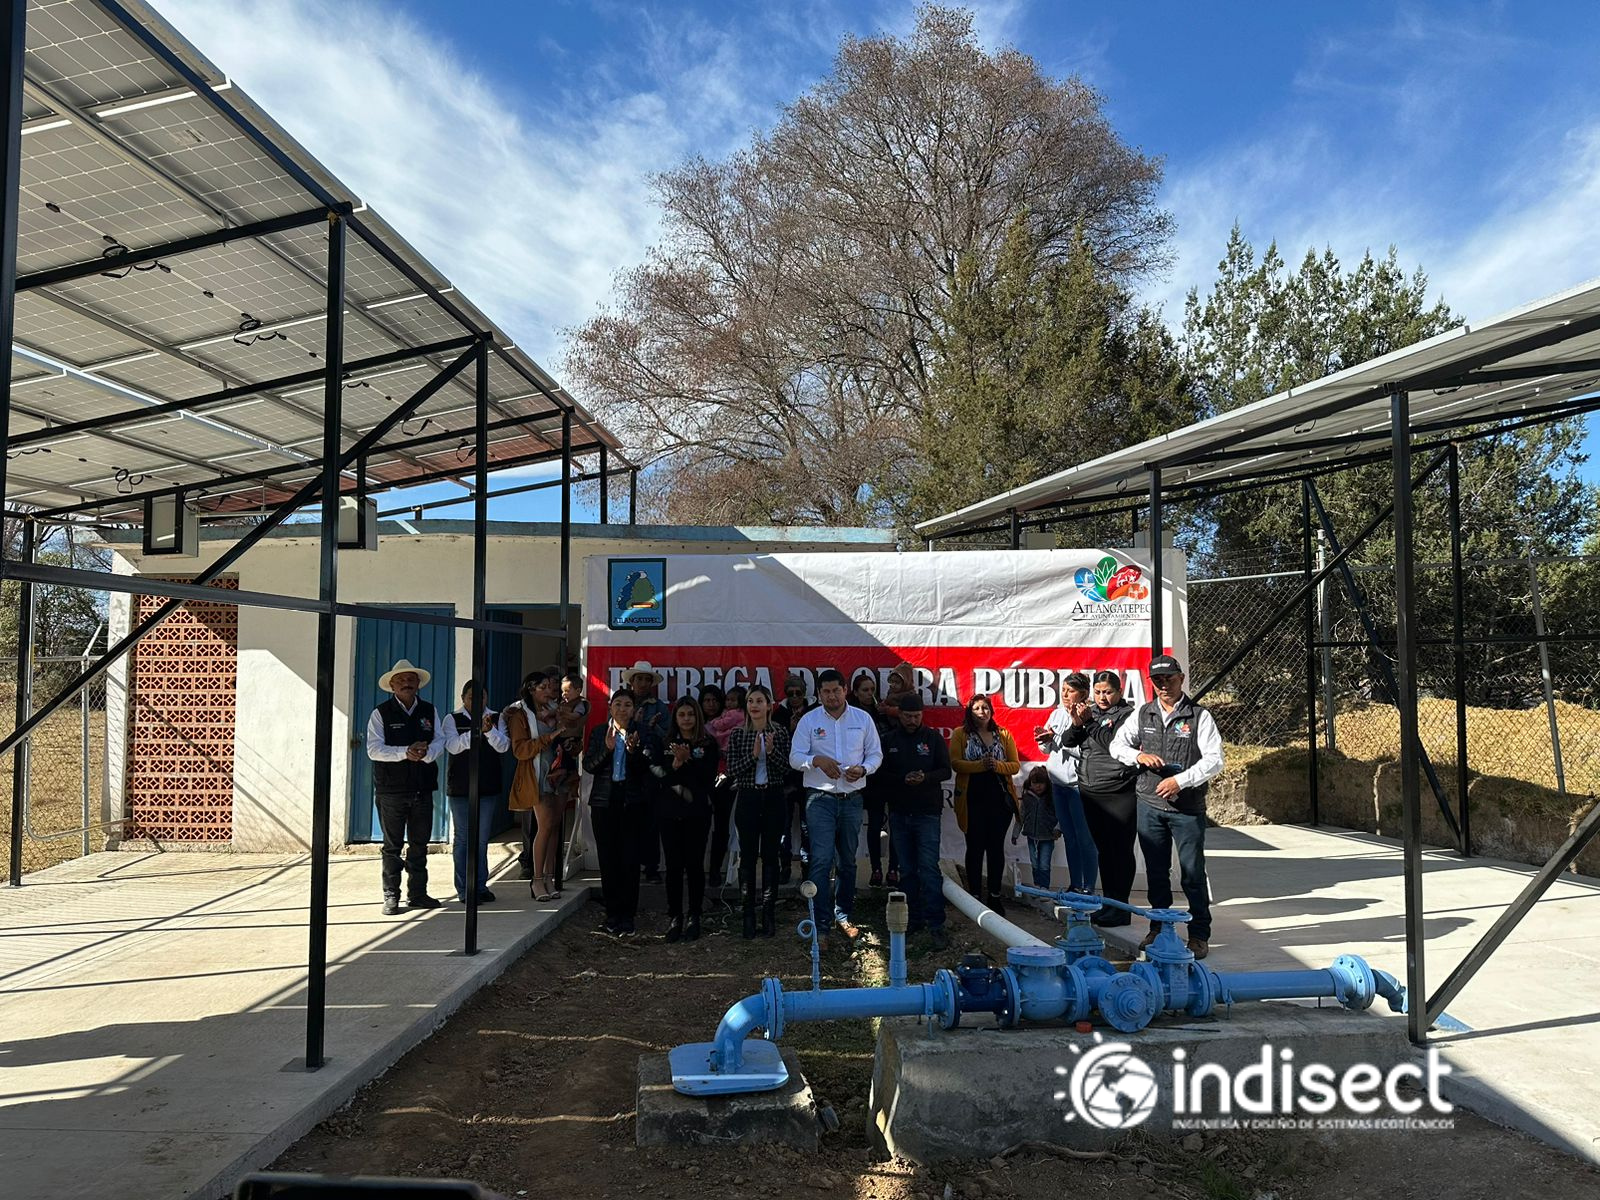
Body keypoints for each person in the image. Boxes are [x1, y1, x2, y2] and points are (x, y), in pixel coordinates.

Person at [1109, 655, 1225, 959]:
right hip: (1149, 804)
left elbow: (1214, 760)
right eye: (1157, 680)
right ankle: (1158, 928)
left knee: (1192, 874)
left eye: (1169, 679)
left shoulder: (1199, 716)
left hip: (1186, 809)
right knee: (1157, 872)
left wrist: (1181, 781)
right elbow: (1117, 745)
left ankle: (1199, 934)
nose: (1163, 685)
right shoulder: (1142, 714)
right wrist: (1138, 757)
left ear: (1181, 678)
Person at [789, 668, 882, 950]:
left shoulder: (862, 718)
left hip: (852, 799)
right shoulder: (809, 720)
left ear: (845, 690)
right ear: (819, 694)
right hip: (820, 799)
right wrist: (815, 760)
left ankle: (844, 915)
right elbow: (795, 758)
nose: (831, 696)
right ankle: (821, 925)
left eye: (836, 690)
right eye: (825, 692)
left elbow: (875, 754)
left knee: (848, 861)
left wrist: (863, 769)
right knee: (820, 860)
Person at [365, 658, 448, 915]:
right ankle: (391, 895)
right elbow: (373, 749)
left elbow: (440, 741)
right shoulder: (380, 713)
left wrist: (427, 753)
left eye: (411, 679)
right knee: (392, 846)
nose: (406, 683)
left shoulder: (429, 710)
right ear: (392, 686)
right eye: (400, 680)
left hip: (423, 788)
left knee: (419, 844)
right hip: (392, 790)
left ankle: (418, 894)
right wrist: (405, 752)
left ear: (418, 684)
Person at [1062, 670, 1140, 926]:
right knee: (1104, 851)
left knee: (1120, 851)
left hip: (1119, 790)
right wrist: (1076, 723)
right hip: (1090, 789)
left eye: (1108, 692)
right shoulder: (1090, 712)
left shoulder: (1128, 715)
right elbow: (1067, 740)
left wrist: (1089, 724)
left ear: (1119, 692)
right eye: (1098, 692)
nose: (1102, 697)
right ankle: (1109, 904)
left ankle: (1122, 907)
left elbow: (1113, 745)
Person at [880, 692, 952, 950]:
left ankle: (936, 924)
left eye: (917, 716)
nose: (912, 720)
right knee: (907, 870)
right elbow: (880, 773)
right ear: (899, 715)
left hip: (927, 813)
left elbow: (946, 769)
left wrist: (926, 778)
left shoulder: (933, 738)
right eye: (908, 716)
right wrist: (902, 779)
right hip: (899, 813)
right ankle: (912, 920)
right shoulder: (888, 740)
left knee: (929, 869)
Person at [648, 697, 719, 941]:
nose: (686, 718)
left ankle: (694, 915)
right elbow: (658, 776)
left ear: (697, 717)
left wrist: (688, 761)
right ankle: (675, 916)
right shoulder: (665, 743)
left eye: (690, 714)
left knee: (695, 865)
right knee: (674, 866)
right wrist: (675, 765)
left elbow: (708, 779)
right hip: (669, 813)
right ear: (675, 718)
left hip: (697, 813)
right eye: (682, 715)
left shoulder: (708, 744)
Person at [582, 689, 651, 935]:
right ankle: (612, 915)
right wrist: (607, 750)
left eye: (628, 705)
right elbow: (589, 765)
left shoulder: (642, 732)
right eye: (618, 704)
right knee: (608, 861)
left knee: (630, 861)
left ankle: (628, 917)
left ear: (634, 709)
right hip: (604, 804)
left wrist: (633, 752)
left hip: (632, 804)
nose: (623, 709)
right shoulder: (600, 732)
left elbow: (648, 768)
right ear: (610, 707)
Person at [726, 684, 791, 938]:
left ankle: (768, 912)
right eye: (750, 701)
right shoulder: (738, 734)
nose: (754, 705)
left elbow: (787, 768)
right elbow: (732, 769)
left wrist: (771, 752)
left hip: (774, 796)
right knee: (749, 856)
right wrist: (754, 757)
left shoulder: (781, 732)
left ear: (769, 705)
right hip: (748, 797)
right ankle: (748, 913)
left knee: (771, 855)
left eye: (759, 701)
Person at [951, 693, 1020, 914]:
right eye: (977, 708)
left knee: (995, 848)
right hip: (972, 799)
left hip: (999, 800)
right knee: (975, 847)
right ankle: (974, 895)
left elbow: (1015, 765)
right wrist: (981, 765)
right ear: (970, 712)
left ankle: (994, 895)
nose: (982, 712)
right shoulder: (961, 734)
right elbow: (956, 763)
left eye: (986, 708)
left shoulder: (1004, 734)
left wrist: (997, 766)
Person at [445, 679, 509, 905]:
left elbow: (503, 746)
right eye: (472, 697)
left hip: (488, 786)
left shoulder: (497, 718)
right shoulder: (451, 719)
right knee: (463, 838)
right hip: (461, 787)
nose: (477, 701)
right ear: (463, 698)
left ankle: (480, 886)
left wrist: (489, 731)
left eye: (481, 697)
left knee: (481, 840)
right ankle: (464, 889)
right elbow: (452, 746)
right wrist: (474, 733)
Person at [1033, 673, 1097, 893]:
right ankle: (1075, 884)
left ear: (1084, 694)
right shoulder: (1057, 713)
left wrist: (1061, 742)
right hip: (1059, 785)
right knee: (1069, 838)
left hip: (1080, 786)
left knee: (1085, 838)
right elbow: (1046, 749)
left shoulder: (1090, 715)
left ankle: (1088, 886)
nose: (1065, 695)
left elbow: (1088, 752)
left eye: (1071, 691)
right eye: (1063, 690)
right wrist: (1044, 740)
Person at [505, 670, 561, 901]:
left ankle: (549, 876)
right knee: (544, 826)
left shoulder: (555, 709)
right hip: (535, 775)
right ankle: (536, 879)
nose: (550, 691)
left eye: (551, 686)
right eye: (544, 687)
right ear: (531, 689)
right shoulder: (519, 714)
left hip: (558, 774)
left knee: (555, 827)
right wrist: (550, 737)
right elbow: (520, 750)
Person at [852, 673, 901, 889]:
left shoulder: (882, 711)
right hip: (870, 777)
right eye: (864, 690)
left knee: (896, 825)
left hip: (890, 773)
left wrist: (888, 713)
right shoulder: (853, 715)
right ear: (855, 692)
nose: (869, 694)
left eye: (872, 689)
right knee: (874, 825)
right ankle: (876, 869)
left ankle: (893, 869)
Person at [627, 662, 669, 885]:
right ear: (631, 681)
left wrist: (652, 727)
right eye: (639, 679)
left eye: (646, 680)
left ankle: (651, 868)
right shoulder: (622, 702)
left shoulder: (660, 706)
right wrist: (635, 723)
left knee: (651, 822)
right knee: (628, 822)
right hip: (626, 768)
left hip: (651, 769)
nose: (643, 684)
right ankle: (630, 866)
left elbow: (668, 738)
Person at [704, 684, 745, 888]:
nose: (711, 704)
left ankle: (716, 872)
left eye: (715, 700)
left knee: (723, 827)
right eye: (706, 700)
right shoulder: (698, 723)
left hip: (726, 777)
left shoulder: (730, 722)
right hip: (701, 781)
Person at [773, 674, 811, 879]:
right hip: (785, 777)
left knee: (807, 827)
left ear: (805, 693)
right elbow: (775, 745)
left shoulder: (813, 713)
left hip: (807, 777)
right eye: (791, 693)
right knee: (783, 827)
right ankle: (785, 867)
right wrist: (790, 730)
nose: (795, 697)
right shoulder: (778, 714)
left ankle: (807, 868)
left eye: (799, 693)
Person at [1012, 765, 1060, 889]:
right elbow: (1021, 816)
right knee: (1034, 862)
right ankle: (1037, 885)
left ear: (1047, 784)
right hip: (1032, 837)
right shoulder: (1027, 797)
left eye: (1041, 783)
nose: (1038, 786)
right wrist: (1015, 834)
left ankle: (1044, 887)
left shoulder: (1051, 797)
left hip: (1047, 837)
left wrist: (1057, 829)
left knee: (1044, 863)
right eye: (1035, 783)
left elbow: (1060, 815)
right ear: (1030, 783)